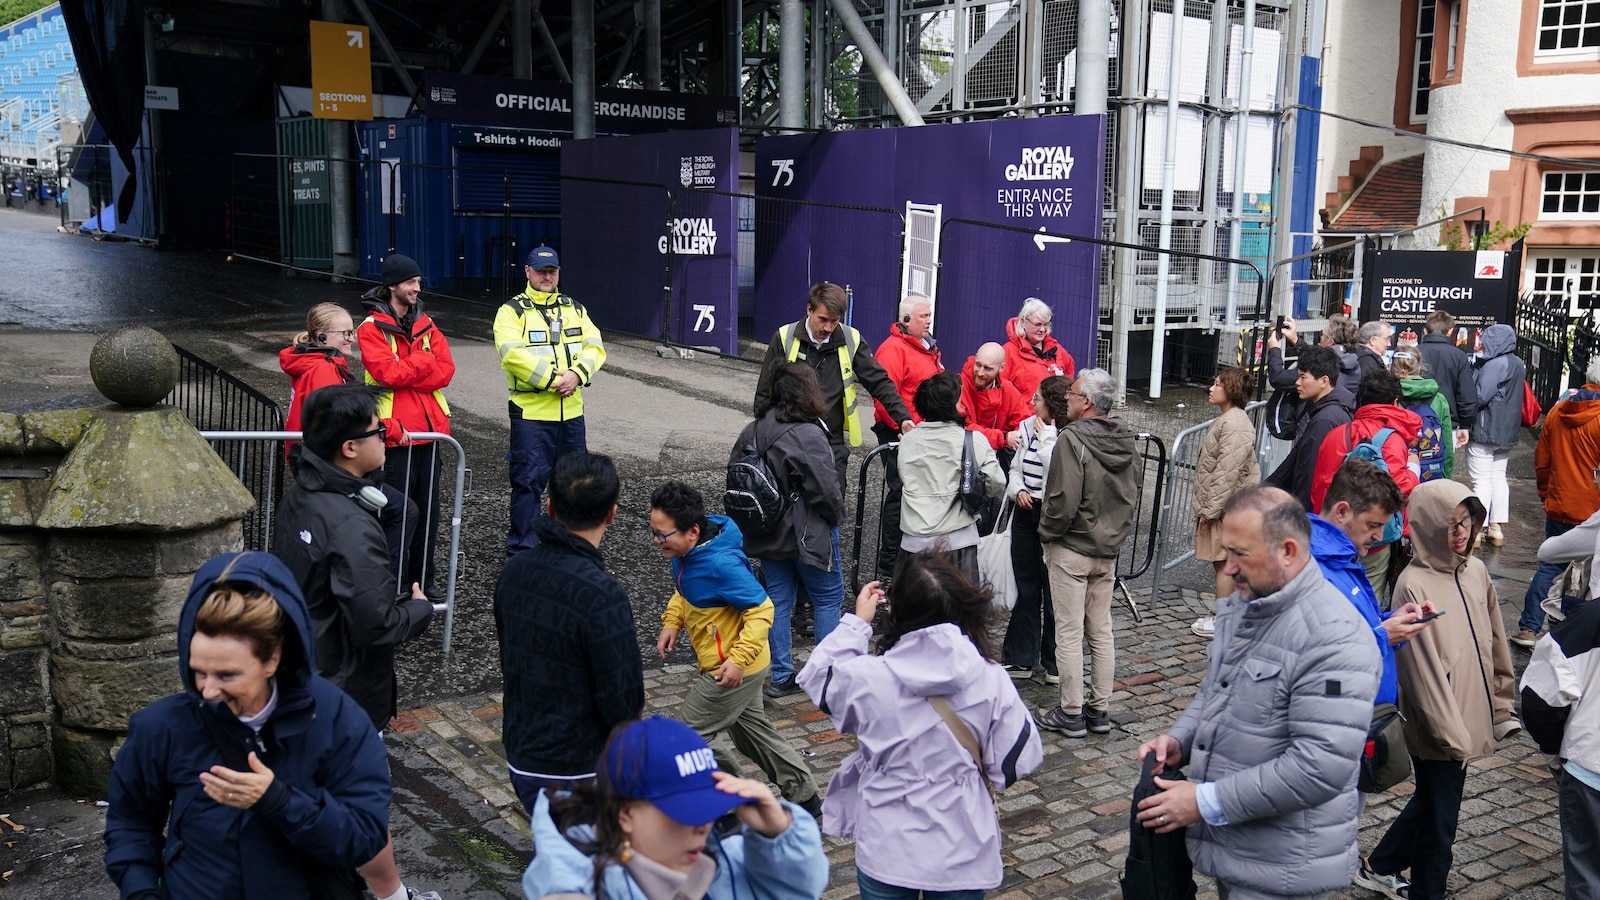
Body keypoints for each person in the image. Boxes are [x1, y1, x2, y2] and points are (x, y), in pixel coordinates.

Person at [103, 552, 406, 900]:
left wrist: (280, 802)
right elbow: (130, 822)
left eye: (227, 675)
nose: (208, 690)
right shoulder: (162, 726)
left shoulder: (337, 721)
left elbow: (364, 838)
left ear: (272, 659)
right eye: (198, 671)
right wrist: (141, 893)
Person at [1134, 486, 1379, 900]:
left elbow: (1320, 767)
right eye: (1226, 552)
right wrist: (1181, 740)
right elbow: (1218, 691)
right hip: (1243, 848)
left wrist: (1205, 801)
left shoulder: (1335, 638)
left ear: (1287, 551)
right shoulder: (1253, 603)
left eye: (1239, 554)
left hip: (1284, 869)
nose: (1228, 569)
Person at [797, 553, 1044, 899]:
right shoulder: (989, 678)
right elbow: (1016, 761)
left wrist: (857, 623)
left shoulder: (869, 678)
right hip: (962, 845)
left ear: (898, 611)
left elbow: (819, 676)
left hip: (887, 843)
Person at [1355, 480, 1520, 900]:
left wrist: (1502, 706)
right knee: (1440, 828)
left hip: (1466, 716)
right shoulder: (1414, 583)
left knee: (1432, 804)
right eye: (1449, 524)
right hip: (1439, 728)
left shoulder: (1476, 571)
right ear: (1428, 527)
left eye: (1465, 521)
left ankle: (1381, 863)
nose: (1461, 531)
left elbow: (1495, 641)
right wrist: (1452, 737)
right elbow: (1422, 673)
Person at [649, 481, 824, 820]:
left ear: (693, 531)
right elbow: (684, 590)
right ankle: (805, 798)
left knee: (689, 735)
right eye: (653, 531)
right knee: (752, 736)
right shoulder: (686, 553)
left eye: (662, 535)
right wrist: (673, 621)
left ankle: (730, 803)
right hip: (739, 663)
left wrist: (738, 660)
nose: (656, 541)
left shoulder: (720, 564)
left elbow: (763, 610)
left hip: (732, 669)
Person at [523, 716, 829, 900]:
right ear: (625, 815)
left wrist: (780, 834)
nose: (703, 826)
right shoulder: (585, 888)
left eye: (708, 808)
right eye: (683, 811)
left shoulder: (733, 865)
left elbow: (800, 890)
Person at [272, 383, 433, 731]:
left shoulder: (300, 494)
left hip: (304, 674)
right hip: (343, 696)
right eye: (378, 431)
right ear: (349, 448)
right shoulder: (352, 525)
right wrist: (420, 609)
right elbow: (377, 627)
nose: (385, 437)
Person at [494, 452, 644, 812]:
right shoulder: (602, 594)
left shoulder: (515, 571)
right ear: (612, 513)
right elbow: (622, 699)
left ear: (549, 507)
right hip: (579, 768)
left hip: (523, 753)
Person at [279, 302, 416, 581]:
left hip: (316, 463)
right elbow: (340, 420)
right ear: (322, 338)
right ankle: (379, 581)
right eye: (345, 333)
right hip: (329, 467)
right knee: (402, 511)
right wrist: (387, 428)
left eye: (351, 331)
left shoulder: (315, 364)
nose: (351, 338)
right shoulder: (324, 369)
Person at [1036, 368, 1137, 738]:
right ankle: (1099, 710)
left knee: (1069, 631)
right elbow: (1131, 495)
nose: (1067, 398)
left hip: (1073, 547)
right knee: (1100, 630)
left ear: (1088, 402)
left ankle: (1072, 711)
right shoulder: (1127, 438)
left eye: (1073, 393)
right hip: (1106, 548)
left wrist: (1047, 535)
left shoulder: (1071, 439)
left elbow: (1062, 500)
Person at [736, 363, 846, 698]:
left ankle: (781, 676)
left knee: (778, 601)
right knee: (828, 597)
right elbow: (826, 491)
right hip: (806, 533)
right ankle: (824, 679)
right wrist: (835, 518)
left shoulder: (751, 430)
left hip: (766, 532)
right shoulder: (808, 433)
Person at [495, 244, 607, 555]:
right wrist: (556, 380)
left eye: (552, 271)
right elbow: (511, 355)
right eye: (541, 271)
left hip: (571, 414)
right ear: (527, 271)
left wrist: (578, 374)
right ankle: (524, 552)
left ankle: (571, 548)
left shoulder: (574, 308)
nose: (547, 276)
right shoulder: (511, 312)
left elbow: (595, 346)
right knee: (528, 485)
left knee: (576, 486)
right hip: (531, 414)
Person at [754, 281, 913, 492]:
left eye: (834, 321)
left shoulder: (851, 339)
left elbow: (880, 382)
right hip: (789, 437)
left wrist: (903, 418)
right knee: (787, 503)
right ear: (809, 309)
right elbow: (765, 392)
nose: (828, 328)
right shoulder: (784, 337)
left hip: (831, 441)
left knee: (832, 505)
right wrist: (763, 437)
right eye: (823, 320)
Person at [357, 253, 454, 593]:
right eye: (411, 282)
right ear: (393, 286)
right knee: (396, 516)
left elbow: (446, 373)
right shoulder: (370, 329)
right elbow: (387, 374)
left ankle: (421, 582)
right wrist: (424, 361)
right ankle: (392, 584)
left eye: (418, 281)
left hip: (428, 435)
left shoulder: (425, 323)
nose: (418, 287)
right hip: (395, 436)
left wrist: (411, 367)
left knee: (428, 516)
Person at [1315, 460, 1438, 713]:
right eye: (1373, 525)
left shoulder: (1342, 557)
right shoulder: (1305, 570)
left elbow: (1349, 628)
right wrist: (1382, 636)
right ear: (1342, 512)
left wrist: (1393, 620)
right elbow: (1308, 657)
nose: (1380, 536)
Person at [1309, 370, 1421, 605]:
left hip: (1331, 536)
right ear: (1395, 403)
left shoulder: (1336, 434)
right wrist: (1413, 470)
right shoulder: (1393, 440)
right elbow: (1397, 492)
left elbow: (1319, 485)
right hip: (1373, 544)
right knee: (1367, 601)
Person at [1520, 586, 1600, 899]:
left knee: (1586, 875)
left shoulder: (1588, 621)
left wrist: (1553, 750)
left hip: (1589, 768)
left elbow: (1541, 698)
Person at [1520, 357, 1600, 647]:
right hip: (1593, 507)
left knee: (1550, 565)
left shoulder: (1558, 411)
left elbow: (1542, 460)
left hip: (1560, 500)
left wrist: (1546, 494)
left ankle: (1528, 627)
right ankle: (1568, 626)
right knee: (1591, 573)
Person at [896, 372, 1005, 583]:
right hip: (958, 541)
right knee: (959, 610)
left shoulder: (908, 441)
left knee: (914, 611)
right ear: (955, 405)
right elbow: (997, 482)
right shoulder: (974, 441)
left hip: (913, 541)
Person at [1000, 375, 1070, 682]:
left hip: (1051, 513)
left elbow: (1056, 469)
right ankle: (1021, 657)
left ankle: (1053, 661)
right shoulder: (1028, 426)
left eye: (1038, 398)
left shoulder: (1064, 434)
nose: (1032, 402)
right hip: (1025, 511)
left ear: (1051, 404)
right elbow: (1015, 468)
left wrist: (1048, 437)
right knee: (1025, 586)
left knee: (1052, 588)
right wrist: (1018, 491)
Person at [870, 294, 943, 576]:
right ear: (907, 320)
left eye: (929, 315)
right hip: (900, 432)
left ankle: (907, 559)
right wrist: (905, 427)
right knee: (901, 493)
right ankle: (889, 562)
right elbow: (884, 398)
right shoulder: (893, 350)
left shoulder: (926, 347)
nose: (929, 320)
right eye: (924, 316)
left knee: (914, 493)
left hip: (920, 432)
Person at [1190, 366, 1261, 638]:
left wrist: (1210, 509)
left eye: (1217, 383)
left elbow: (1226, 472)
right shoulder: (1231, 420)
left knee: (1225, 564)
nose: (1211, 387)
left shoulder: (1234, 424)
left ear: (1230, 390)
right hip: (1228, 507)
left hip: (1227, 509)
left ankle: (1225, 620)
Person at [1262, 344, 1352, 511]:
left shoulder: (1324, 421)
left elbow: (1307, 473)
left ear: (1324, 381)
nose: (1297, 383)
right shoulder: (1336, 410)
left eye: (1303, 377)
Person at [1465, 323, 1525, 547]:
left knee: (1481, 480)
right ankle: (1496, 528)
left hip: (1485, 428)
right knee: (1499, 477)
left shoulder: (1493, 365)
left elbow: (1480, 396)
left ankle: (1478, 529)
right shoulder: (1518, 364)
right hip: (1507, 430)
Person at [1391, 337, 1457, 478]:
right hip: (1430, 470)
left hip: (1395, 469)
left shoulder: (1386, 396)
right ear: (1419, 368)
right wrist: (1446, 476)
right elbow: (1447, 442)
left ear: (1391, 368)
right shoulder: (1438, 399)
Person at [961, 341, 1030, 460]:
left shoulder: (1008, 390)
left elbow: (1024, 422)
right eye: (978, 365)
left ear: (1002, 368)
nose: (981, 372)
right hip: (963, 454)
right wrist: (1003, 438)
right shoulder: (959, 387)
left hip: (992, 457)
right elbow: (964, 429)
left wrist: (1016, 436)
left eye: (988, 368)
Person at [1419, 309, 1480, 442]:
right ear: (1451, 331)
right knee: (1445, 461)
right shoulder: (1458, 356)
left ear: (1425, 330)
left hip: (1414, 419)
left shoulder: (1414, 353)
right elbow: (1466, 394)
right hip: (1447, 422)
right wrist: (1465, 424)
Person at [1001, 297, 1074, 403]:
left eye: (1046, 324)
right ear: (1023, 322)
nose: (1042, 330)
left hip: (1055, 415)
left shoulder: (1056, 348)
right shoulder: (1008, 352)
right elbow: (1002, 390)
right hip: (1025, 416)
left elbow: (1069, 366)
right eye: (1037, 324)